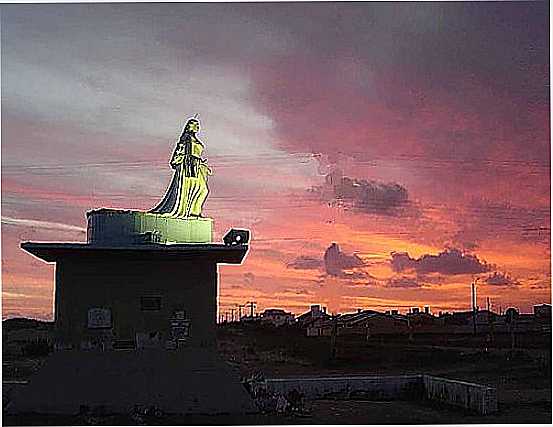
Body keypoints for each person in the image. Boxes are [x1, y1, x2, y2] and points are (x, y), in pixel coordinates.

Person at [150, 117, 211, 217]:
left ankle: (194, 211)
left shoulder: (195, 139)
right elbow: (180, 150)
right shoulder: (186, 138)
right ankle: (190, 212)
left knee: (203, 190)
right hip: (188, 167)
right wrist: (181, 160)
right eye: (194, 124)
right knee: (189, 190)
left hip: (197, 167)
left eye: (198, 125)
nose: (197, 126)